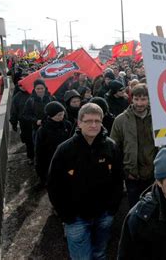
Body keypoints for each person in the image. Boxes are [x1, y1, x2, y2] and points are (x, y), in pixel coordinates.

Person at [47, 103, 123, 260]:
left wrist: (112, 209)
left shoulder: (111, 147)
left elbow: (117, 179)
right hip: (76, 219)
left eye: (97, 121)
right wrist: (66, 215)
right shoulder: (65, 150)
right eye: (88, 121)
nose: (93, 125)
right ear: (79, 122)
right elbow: (54, 185)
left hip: (103, 216)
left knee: (100, 253)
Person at [110, 84, 158, 208]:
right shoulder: (120, 121)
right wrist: (125, 172)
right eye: (136, 99)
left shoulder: (158, 119)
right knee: (135, 210)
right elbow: (114, 150)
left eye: (143, 99)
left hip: (154, 174)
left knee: (154, 209)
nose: (139, 103)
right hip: (132, 176)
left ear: (149, 99)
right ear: (131, 99)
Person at [34, 101, 72, 185]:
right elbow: (39, 151)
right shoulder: (43, 130)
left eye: (62, 114)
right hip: (50, 160)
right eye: (58, 115)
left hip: (66, 160)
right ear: (51, 115)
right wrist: (40, 171)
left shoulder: (67, 125)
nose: (61, 117)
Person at [10, 83, 32, 159]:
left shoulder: (33, 93)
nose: (23, 87)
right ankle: (31, 157)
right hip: (24, 123)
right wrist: (14, 124)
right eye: (21, 85)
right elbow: (13, 112)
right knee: (28, 141)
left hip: (34, 122)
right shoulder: (16, 98)